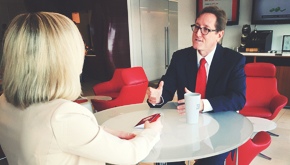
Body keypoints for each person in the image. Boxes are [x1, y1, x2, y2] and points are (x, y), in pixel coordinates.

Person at [0, 12, 162, 165]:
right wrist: (151, 132)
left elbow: (52, 138)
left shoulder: (3, 102)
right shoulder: (62, 115)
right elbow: (130, 154)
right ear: (65, 59)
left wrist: (97, 132)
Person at [147, 6, 246, 165]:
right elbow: (166, 88)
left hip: (219, 128)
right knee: (169, 158)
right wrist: (157, 98)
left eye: (206, 29)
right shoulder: (180, 57)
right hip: (183, 126)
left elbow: (238, 99)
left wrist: (202, 105)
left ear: (219, 35)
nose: (198, 33)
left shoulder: (233, 60)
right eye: (197, 27)